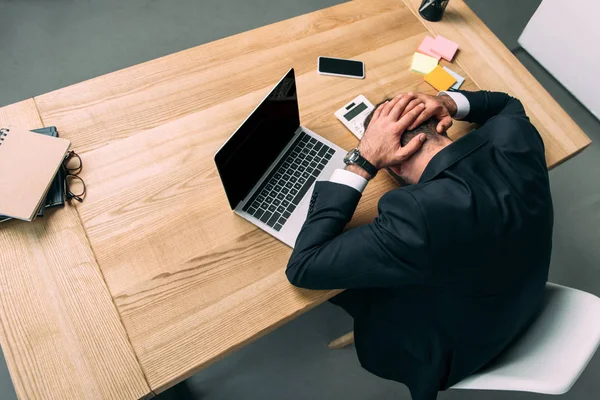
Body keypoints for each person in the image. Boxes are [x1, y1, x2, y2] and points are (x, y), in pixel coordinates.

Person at [285, 90, 554, 400]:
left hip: (461, 349)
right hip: (525, 296)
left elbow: (304, 266)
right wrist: (448, 101)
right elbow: (509, 103)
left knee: (347, 282)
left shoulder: (416, 216)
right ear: (441, 124)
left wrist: (363, 161)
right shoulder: (513, 137)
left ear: (394, 165)